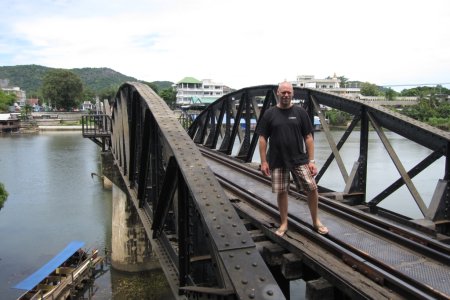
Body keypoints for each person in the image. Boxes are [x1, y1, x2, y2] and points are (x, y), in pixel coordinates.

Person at [256, 81, 328, 237]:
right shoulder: (269, 114)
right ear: (278, 93)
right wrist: (263, 162)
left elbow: (308, 137)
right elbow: (262, 139)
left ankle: (316, 222)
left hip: (299, 159)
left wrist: (312, 161)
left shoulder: (300, 112)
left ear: (293, 94)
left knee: (312, 188)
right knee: (282, 191)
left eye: (289, 92)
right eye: (283, 92)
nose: (286, 95)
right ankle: (284, 223)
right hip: (277, 159)